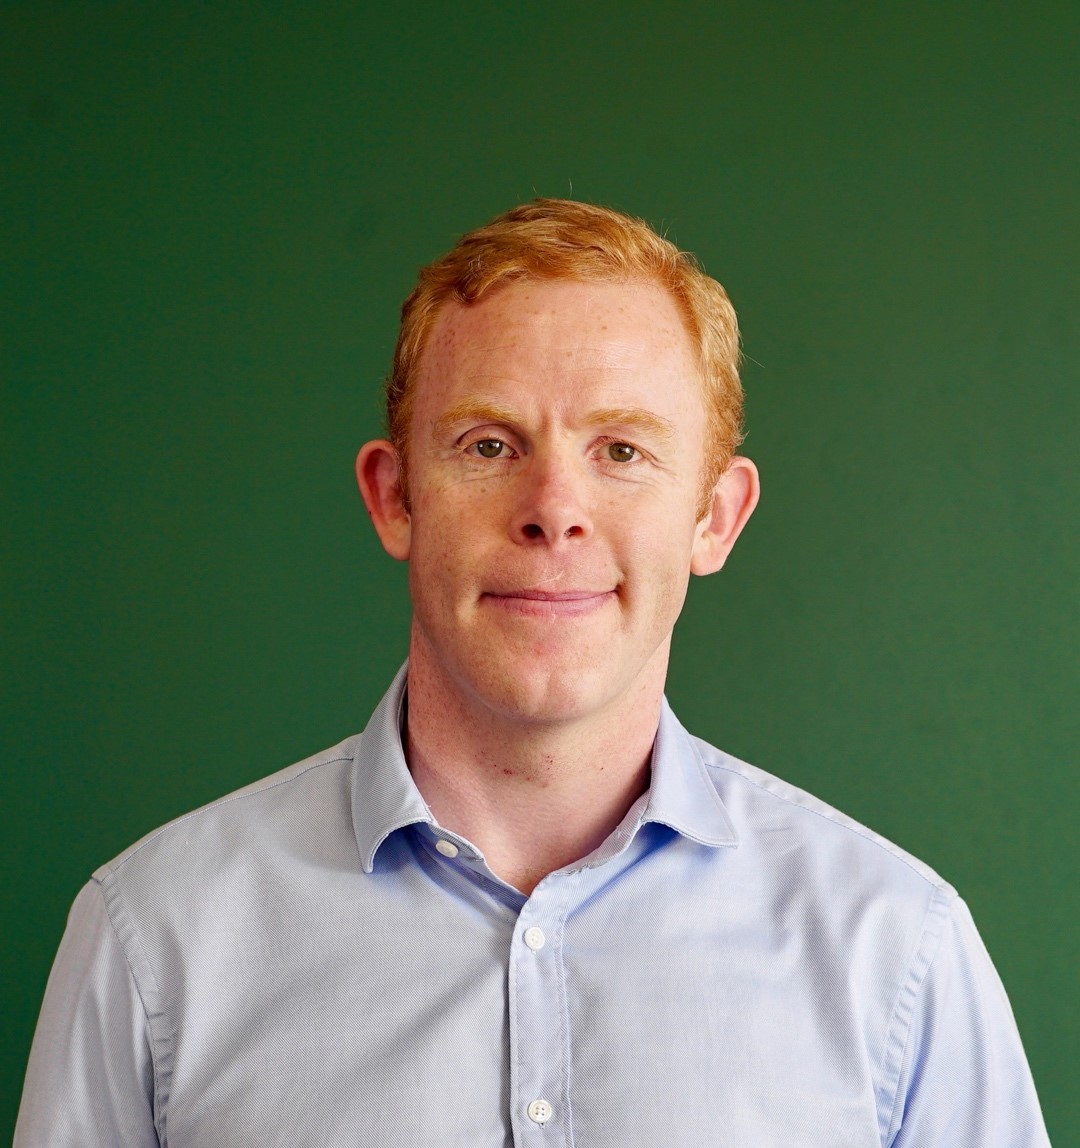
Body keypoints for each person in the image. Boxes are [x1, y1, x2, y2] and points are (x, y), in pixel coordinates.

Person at [16, 199, 1048, 1146]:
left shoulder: (897, 953)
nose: (555, 507)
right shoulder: (153, 940)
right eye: (488, 443)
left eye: (623, 450)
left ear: (715, 516)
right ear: (393, 497)